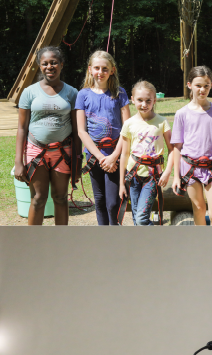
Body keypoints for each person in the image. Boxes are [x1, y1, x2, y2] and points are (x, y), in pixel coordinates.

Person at [13, 46, 79, 226]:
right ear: (40, 67)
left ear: (61, 64)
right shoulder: (29, 92)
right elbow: (21, 128)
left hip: (62, 152)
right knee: (38, 199)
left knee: (60, 197)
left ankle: (60, 243)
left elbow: (77, 129)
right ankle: (34, 244)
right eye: (45, 63)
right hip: (36, 151)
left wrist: (78, 160)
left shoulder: (72, 93)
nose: (50, 66)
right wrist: (18, 162)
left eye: (54, 62)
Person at [174, 66, 212, 226]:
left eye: (206, 86)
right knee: (199, 209)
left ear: (211, 86)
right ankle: (201, 246)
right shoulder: (182, 114)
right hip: (190, 168)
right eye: (198, 85)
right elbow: (177, 147)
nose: (202, 89)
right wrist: (176, 176)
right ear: (189, 85)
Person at [75, 50, 129, 225]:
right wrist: (100, 157)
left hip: (116, 154)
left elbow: (127, 129)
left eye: (105, 68)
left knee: (113, 203)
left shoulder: (120, 94)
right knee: (99, 201)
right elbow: (82, 131)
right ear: (90, 69)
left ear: (112, 70)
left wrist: (113, 157)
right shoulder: (83, 95)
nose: (100, 72)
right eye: (97, 68)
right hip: (94, 155)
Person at [119, 81, 171, 226]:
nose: (144, 104)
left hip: (152, 176)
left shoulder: (162, 122)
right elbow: (124, 154)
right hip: (133, 175)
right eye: (140, 100)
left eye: (148, 101)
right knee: (136, 218)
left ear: (154, 100)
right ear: (132, 99)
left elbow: (172, 150)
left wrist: (167, 172)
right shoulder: (129, 123)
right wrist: (121, 183)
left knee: (141, 219)